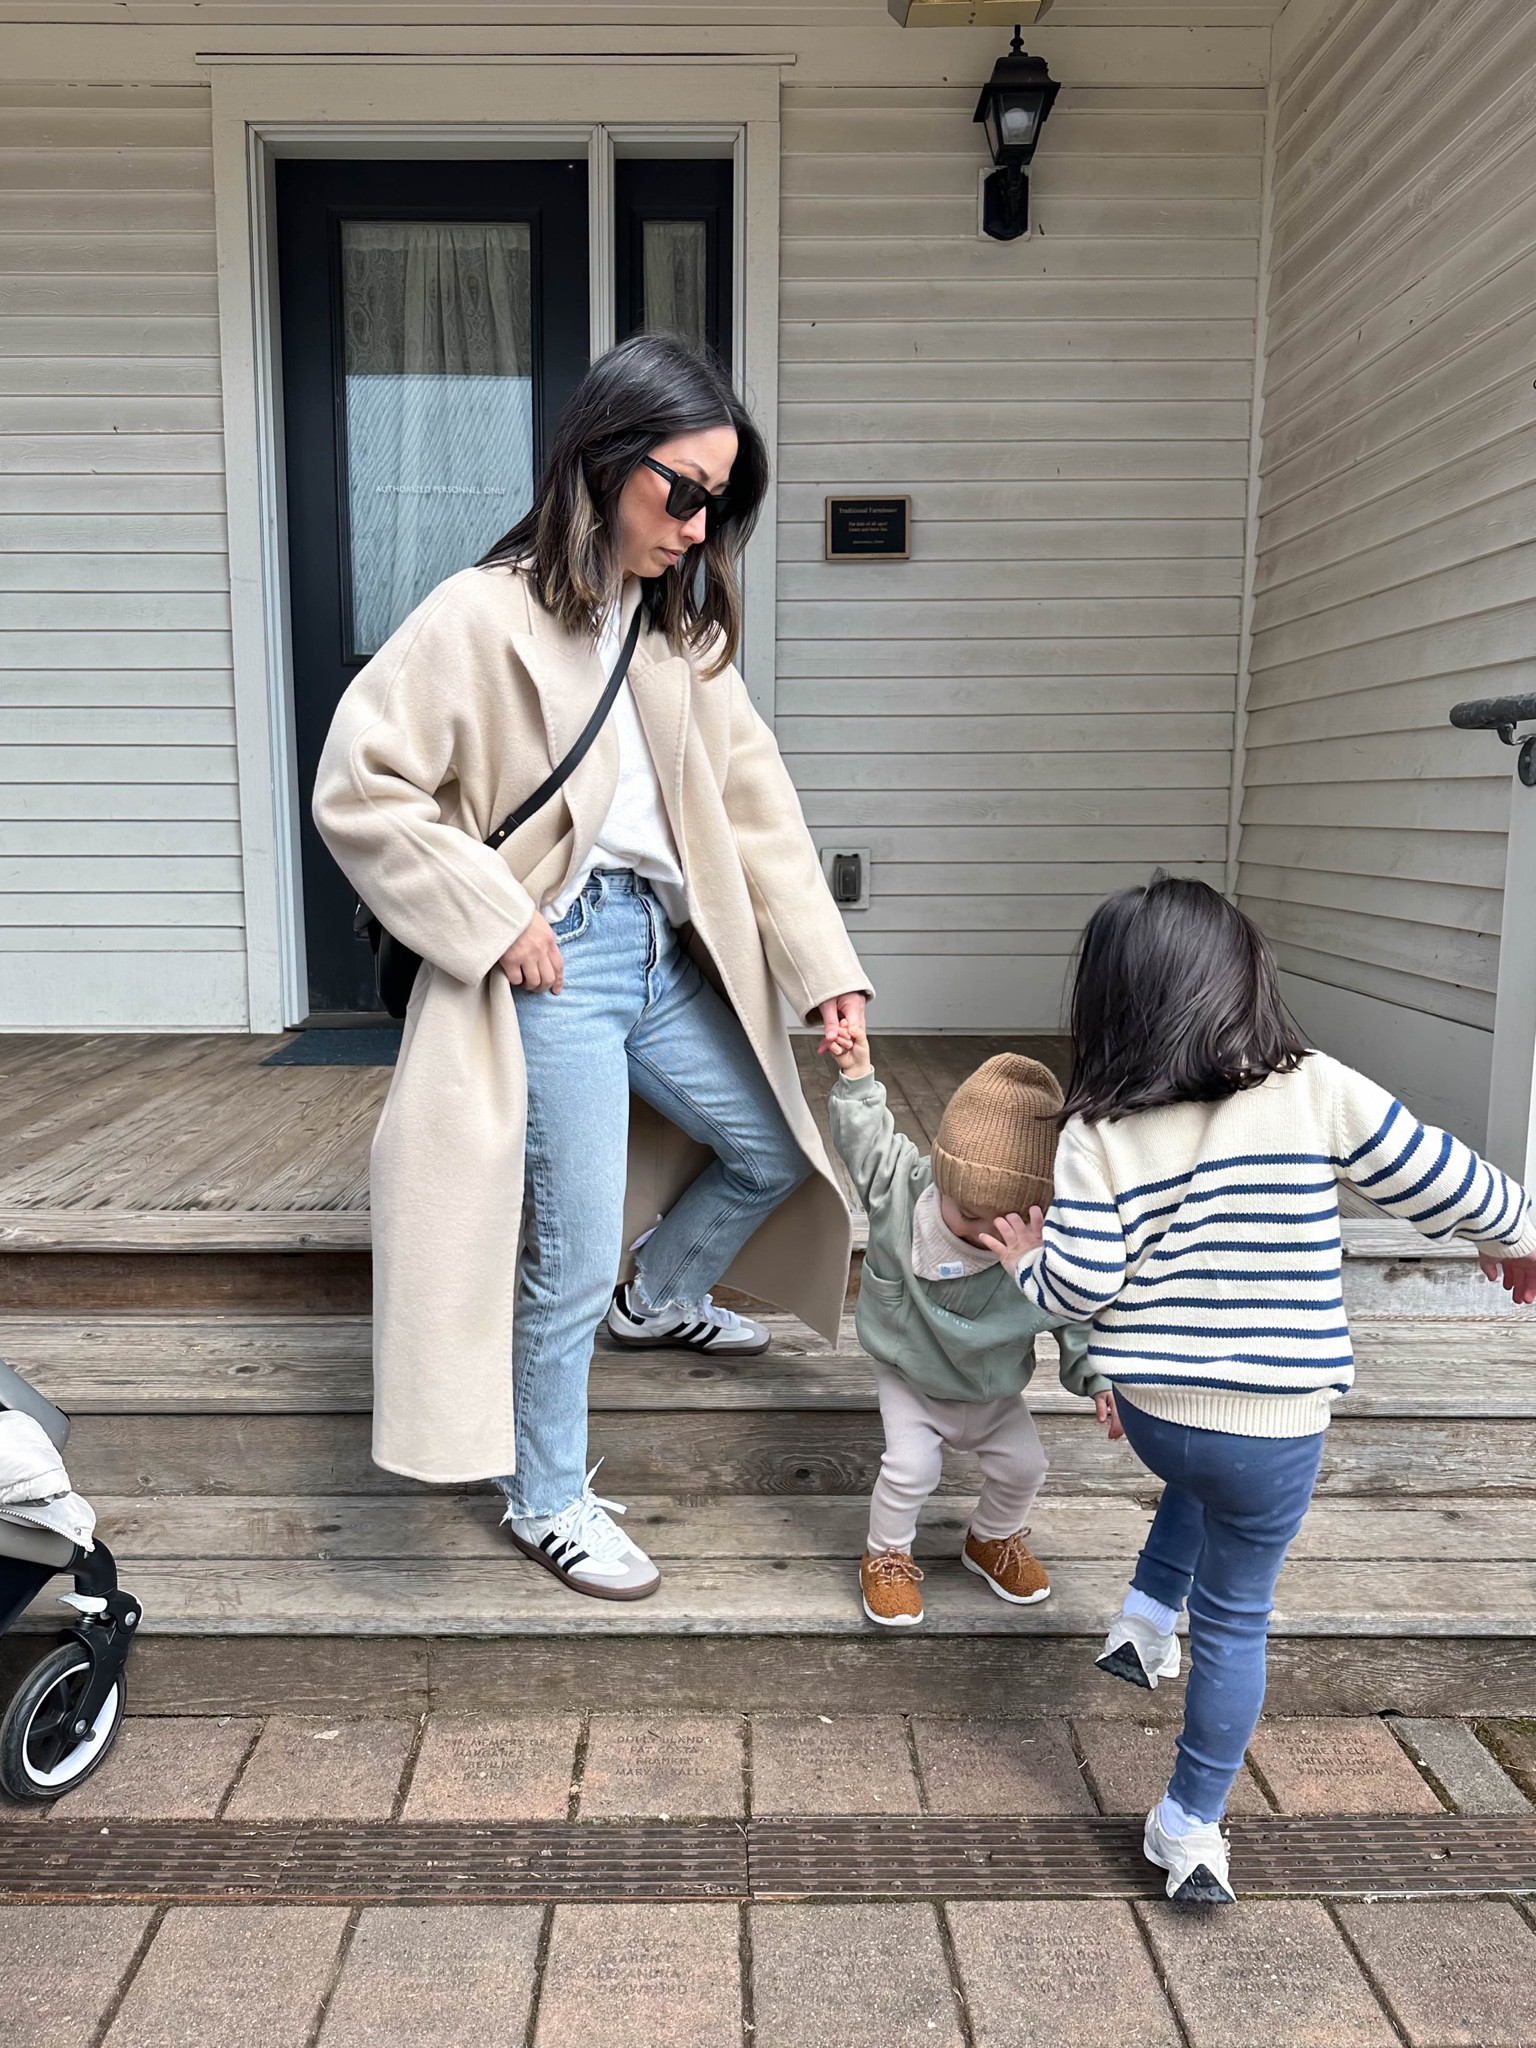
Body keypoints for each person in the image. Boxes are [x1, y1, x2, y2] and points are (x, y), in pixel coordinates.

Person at [314, 336, 869, 1601]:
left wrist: (822, 970)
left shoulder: (679, 630)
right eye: (683, 489)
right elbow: (362, 785)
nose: (698, 522)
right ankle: (546, 1494)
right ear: (607, 461)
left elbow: (756, 804)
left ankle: (661, 1293)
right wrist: (485, 912)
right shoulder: (481, 612)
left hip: (659, 949)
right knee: (561, 1250)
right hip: (550, 957)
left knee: (773, 1148)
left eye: (718, 501)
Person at [985, 875, 1536, 1905]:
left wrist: (1026, 1258)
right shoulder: (1317, 1084)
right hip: (1277, 1430)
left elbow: (1079, 1284)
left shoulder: (1098, 1130)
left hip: (1155, 1413)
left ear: (1110, 1004)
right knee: (1238, 1613)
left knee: (1201, 1468)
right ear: (1245, 981)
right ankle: (1191, 1826)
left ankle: (1146, 1617)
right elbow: (1447, 1177)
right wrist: (1516, 1234)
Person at [823, 1010, 1105, 1628]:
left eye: (1006, 1222)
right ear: (942, 1176)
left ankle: (990, 1539)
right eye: (969, 1212)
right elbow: (866, 1141)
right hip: (911, 1373)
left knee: (1026, 1465)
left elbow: (1074, 1314)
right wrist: (857, 1073)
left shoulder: (1045, 1250)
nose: (984, 1233)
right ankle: (887, 1556)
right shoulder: (903, 1189)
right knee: (911, 1466)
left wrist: (1099, 1377)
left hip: (991, 1384)